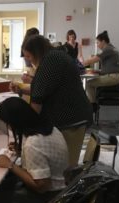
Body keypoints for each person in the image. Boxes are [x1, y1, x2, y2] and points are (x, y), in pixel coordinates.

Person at [10, 35, 93, 167]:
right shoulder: (55, 56)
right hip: (74, 117)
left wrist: (25, 133)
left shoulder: (49, 61)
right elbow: (46, 88)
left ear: (36, 53)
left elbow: (37, 101)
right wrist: (21, 90)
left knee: (65, 168)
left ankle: (66, 187)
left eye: (30, 57)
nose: (29, 62)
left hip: (70, 121)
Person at [0, 97, 68, 203]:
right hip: (63, 189)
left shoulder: (33, 143)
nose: (9, 127)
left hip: (50, 199)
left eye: (8, 124)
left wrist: (10, 165)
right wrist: (21, 151)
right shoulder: (50, 128)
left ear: (15, 122)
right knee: (5, 184)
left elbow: (42, 187)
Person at [82, 31, 119, 106]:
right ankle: (93, 103)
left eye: (97, 42)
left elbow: (91, 60)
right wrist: (97, 71)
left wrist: (79, 64)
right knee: (91, 82)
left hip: (114, 77)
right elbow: (110, 67)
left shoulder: (107, 50)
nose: (97, 45)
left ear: (103, 41)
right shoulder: (111, 48)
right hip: (116, 76)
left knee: (89, 83)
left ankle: (92, 105)